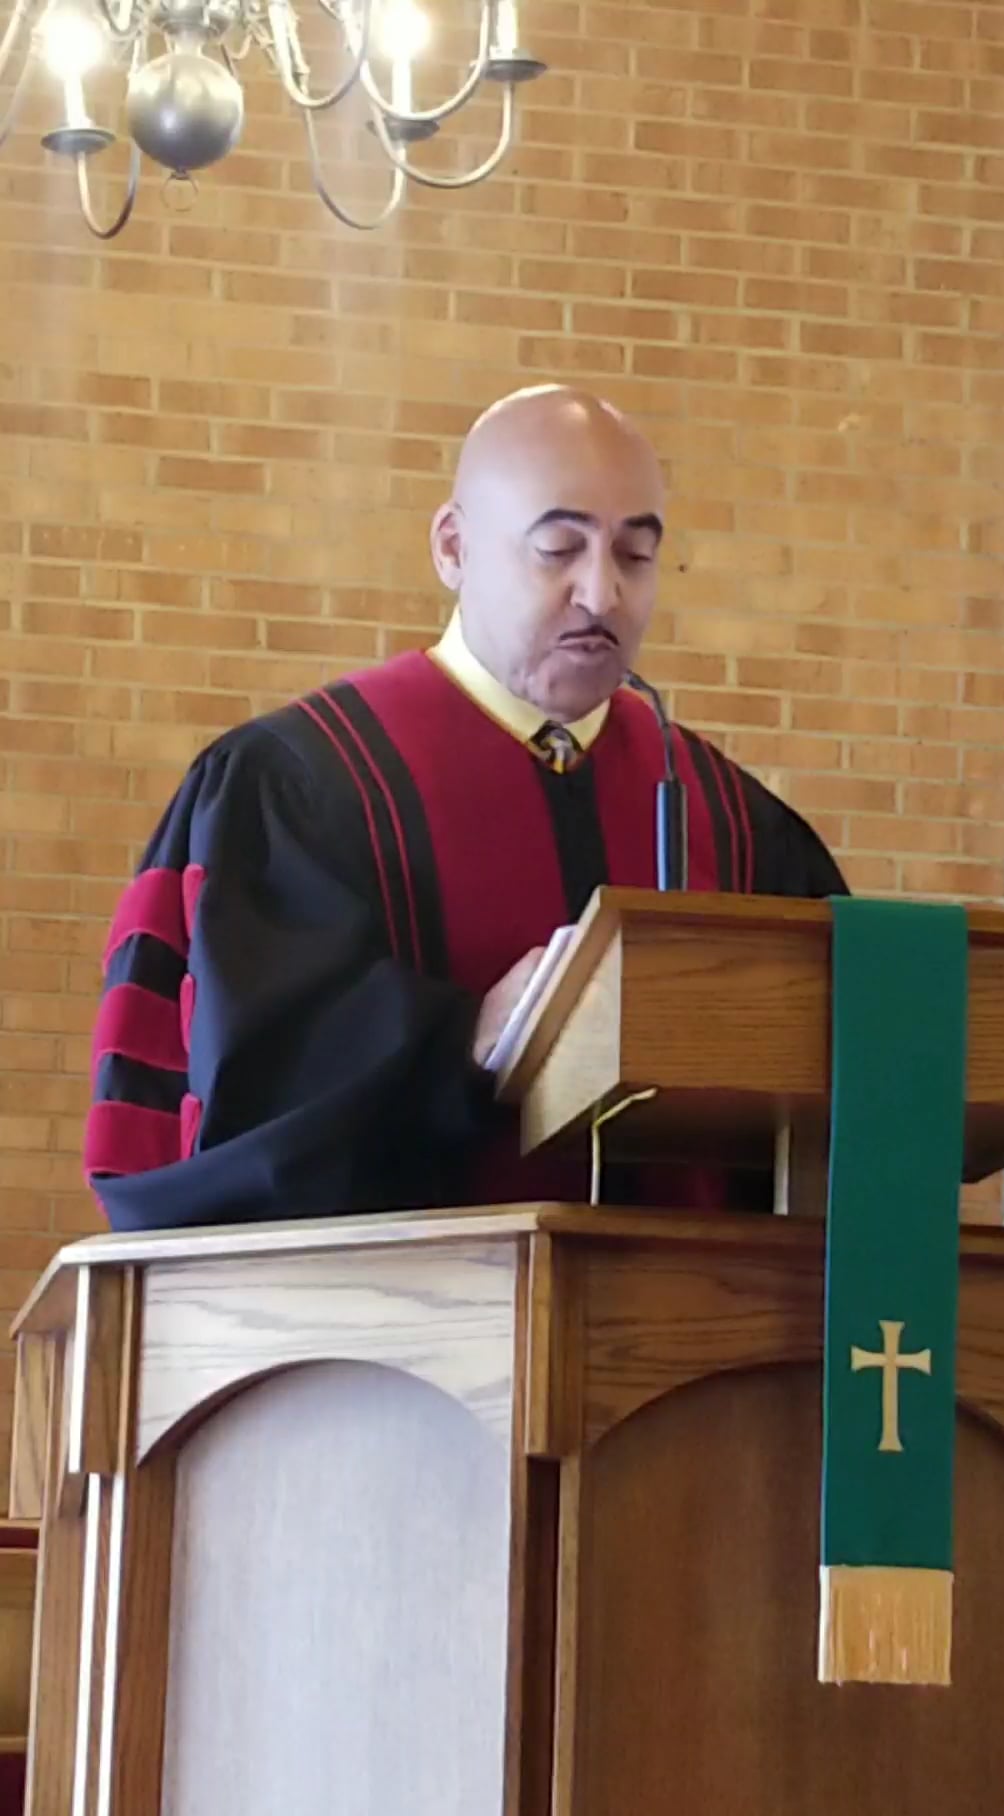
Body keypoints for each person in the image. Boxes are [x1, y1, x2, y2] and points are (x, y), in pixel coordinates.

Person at [85, 385, 846, 1231]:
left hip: (695, 1337)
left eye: (635, 557)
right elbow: (234, 1112)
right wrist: (467, 1039)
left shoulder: (735, 824)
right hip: (385, 1338)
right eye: (559, 549)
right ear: (453, 547)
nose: (602, 595)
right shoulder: (299, 782)